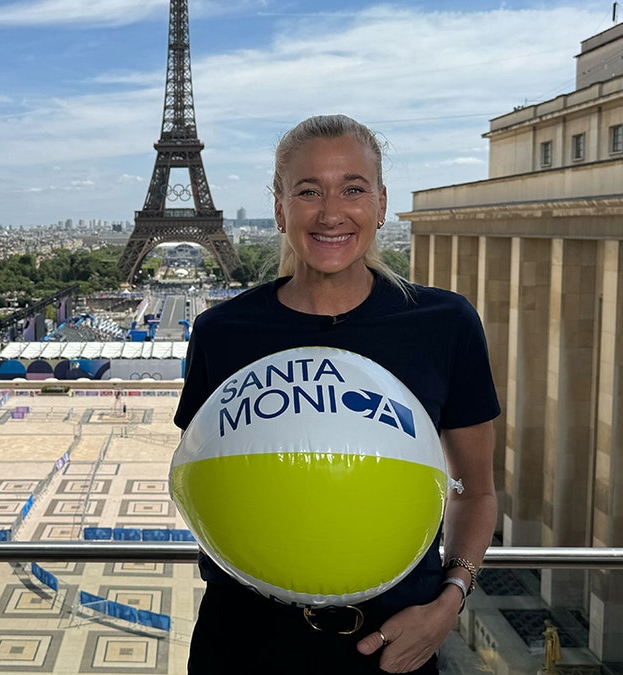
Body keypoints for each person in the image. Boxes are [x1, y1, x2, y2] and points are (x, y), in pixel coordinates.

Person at [174, 114, 499, 674]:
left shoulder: (444, 324)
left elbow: (476, 492)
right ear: (279, 207)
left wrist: (450, 603)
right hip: (244, 640)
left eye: (353, 189)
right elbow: (212, 480)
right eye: (308, 192)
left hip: (393, 643)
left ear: (380, 202)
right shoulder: (222, 331)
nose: (330, 213)